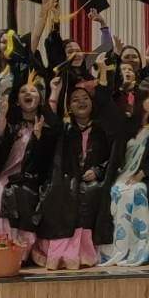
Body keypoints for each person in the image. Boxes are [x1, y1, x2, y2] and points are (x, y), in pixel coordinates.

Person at [0, 76, 59, 270]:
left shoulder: (45, 125)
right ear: (17, 101)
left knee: (23, 194)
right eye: (23, 91)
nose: (28, 94)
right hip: (8, 175)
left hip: (32, 178)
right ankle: (0, 247)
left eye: (33, 91)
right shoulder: (12, 124)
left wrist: (38, 138)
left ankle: (23, 251)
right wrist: (2, 115)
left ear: (40, 99)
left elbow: (45, 160)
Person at [33, 73, 111, 270]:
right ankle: (62, 253)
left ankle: (87, 251)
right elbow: (51, 119)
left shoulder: (102, 130)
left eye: (85, 98)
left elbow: (112, 158)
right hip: (67, 179)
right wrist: (55, 92)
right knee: (64, 193)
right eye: (75, 100)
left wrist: (98, 171)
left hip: (93, 180)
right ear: (69, 107)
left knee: (92, 190)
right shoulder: (64, 129)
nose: (81, 102)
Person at [97, 81, 149, 267]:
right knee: (118, 191)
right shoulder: (127, 124)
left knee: (136, 191)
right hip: (123, 174)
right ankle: (119, 248)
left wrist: (142, 173)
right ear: (140, 99)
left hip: (147, 177)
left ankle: (138, 249)